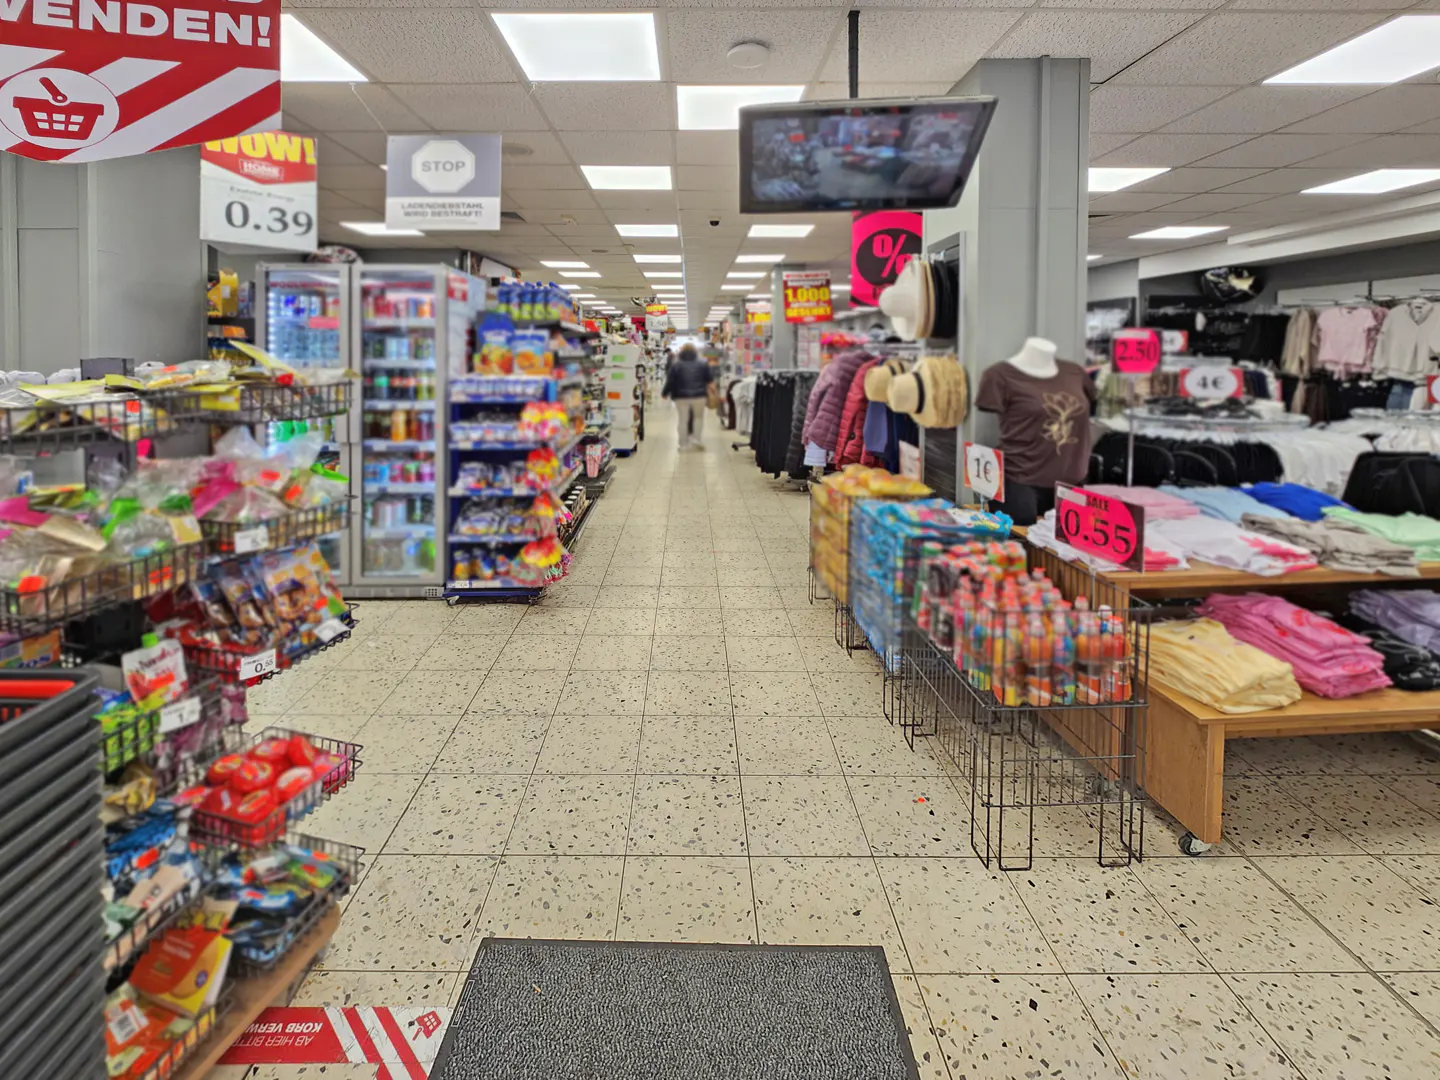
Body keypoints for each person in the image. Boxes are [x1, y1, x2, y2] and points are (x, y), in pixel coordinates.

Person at [661, 344, 714, 450]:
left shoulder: (676, 364)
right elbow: (709, 380)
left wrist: (665, 393)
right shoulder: (703, 363)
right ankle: (696, 439)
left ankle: (683, 444)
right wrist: (713, 391)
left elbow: (670, 381)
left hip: (681, 396)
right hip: (699, 396)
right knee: (698, 418)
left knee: (683, 420)